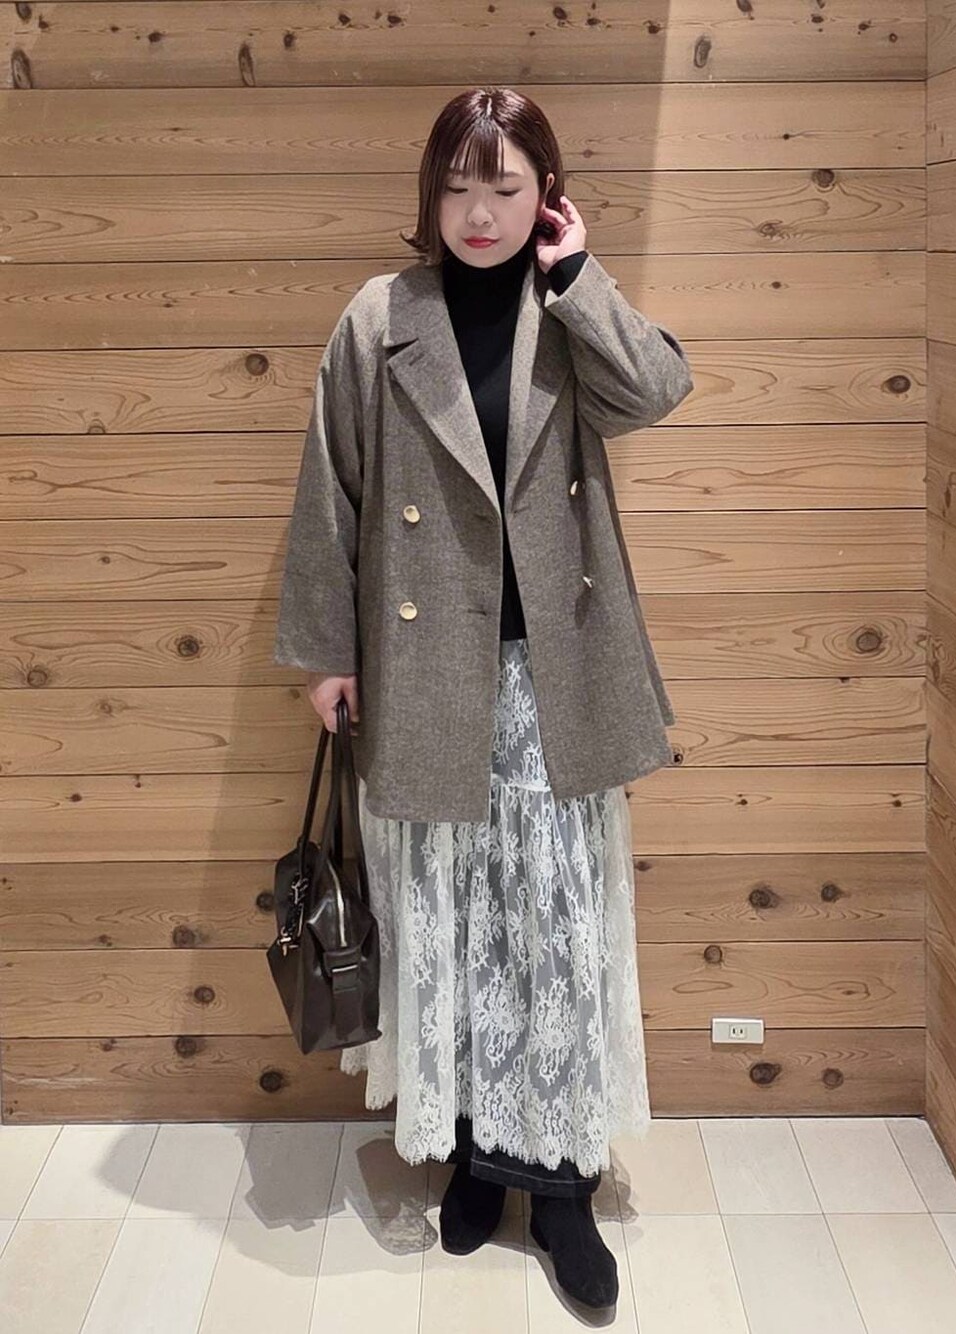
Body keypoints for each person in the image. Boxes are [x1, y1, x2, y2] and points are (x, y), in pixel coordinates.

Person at [273, 86, 694, 1309]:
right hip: (428, 673)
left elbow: (655, 391)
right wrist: (326, 651)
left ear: (544, 195)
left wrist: (581, 276)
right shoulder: (380, 317)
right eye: (457, 186)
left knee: (552, 933)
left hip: (556, 675)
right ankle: (470, 1155)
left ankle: (560, 1186)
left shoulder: (563, 307)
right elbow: (330, 487)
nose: (477, 212)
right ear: (430, 192)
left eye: (505, 187)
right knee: (450, 924)